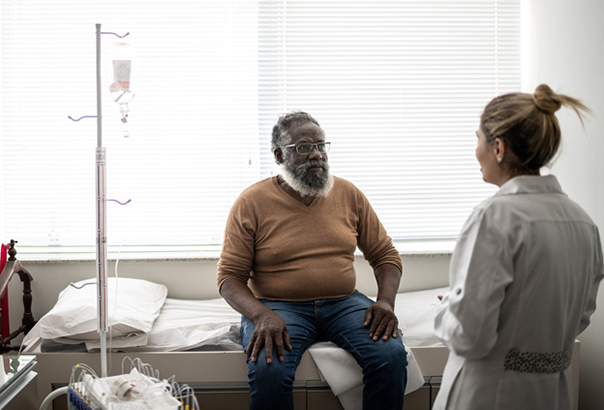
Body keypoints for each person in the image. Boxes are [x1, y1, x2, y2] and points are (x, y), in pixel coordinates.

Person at [217, 111, 408, 410]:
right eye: (304, 148)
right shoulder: (251, 203)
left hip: (343, 302)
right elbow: (229, 278)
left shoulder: (348, 193)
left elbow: (385, 256)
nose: (317, 154)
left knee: (391, 356)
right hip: (278, 306)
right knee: (269, 370)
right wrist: (261, 315)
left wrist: (385, 302)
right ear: (280, 156)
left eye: (321, 145)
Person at [434, 84, 604, 410]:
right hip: (553, 395)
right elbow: (579, 317)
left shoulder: (494, 217)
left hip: (487, 395)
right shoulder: (584, 223)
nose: (476, 150)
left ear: (498, 147)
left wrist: (449, 308)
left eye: (478, 139)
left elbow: (470, 337)